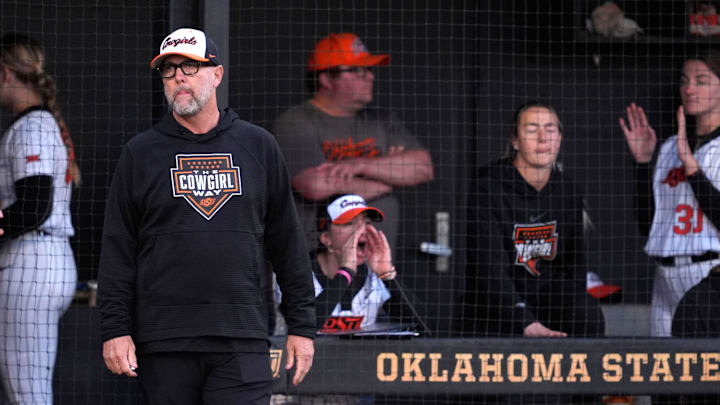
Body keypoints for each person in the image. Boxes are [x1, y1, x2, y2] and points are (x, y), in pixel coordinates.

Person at [97, 27, 316, 404]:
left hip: (241, 335)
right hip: (164, 341)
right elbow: (118, 250)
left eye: (190, 66)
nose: (178, 76)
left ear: (217, 74)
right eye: (169, 70)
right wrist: (114, 330)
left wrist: (302, 327)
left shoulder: (258, 145)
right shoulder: (140, 153)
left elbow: (287, 242)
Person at [272, 33, 434, 250]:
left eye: (368, 69)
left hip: (376, 264)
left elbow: (423, 167)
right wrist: (389, 179)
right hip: (317, 259)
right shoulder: (297, 121)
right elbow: (315, 186)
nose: (369, 76)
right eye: (357, 70)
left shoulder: (383, 120)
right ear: (327, 79)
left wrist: (358, 165)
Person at [461, 102, 605, 339]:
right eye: (531, 129)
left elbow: (574, 265)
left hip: (547, 299)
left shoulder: (567, 191)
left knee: (587, 314)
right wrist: (524, 320)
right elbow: (488, 266)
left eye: (550, 129)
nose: (542, 138)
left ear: (559, 138)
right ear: (515, 140)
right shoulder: (488, 186)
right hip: (495, 305)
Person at [0, 33, 79, 404]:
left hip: (33, 262)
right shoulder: (40, 123)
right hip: (47, 259)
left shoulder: (33, 126)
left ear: (5, 74)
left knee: (28, 393)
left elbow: (34, 207)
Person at [619, 48, 720, 337]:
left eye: (702, 81)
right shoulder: (668, 148)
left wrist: (693, 170)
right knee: (663, 377)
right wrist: (642, 164)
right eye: (685, 80)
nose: (689, 89)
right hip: (664, 278)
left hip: (710, 271)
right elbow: (648, 225)